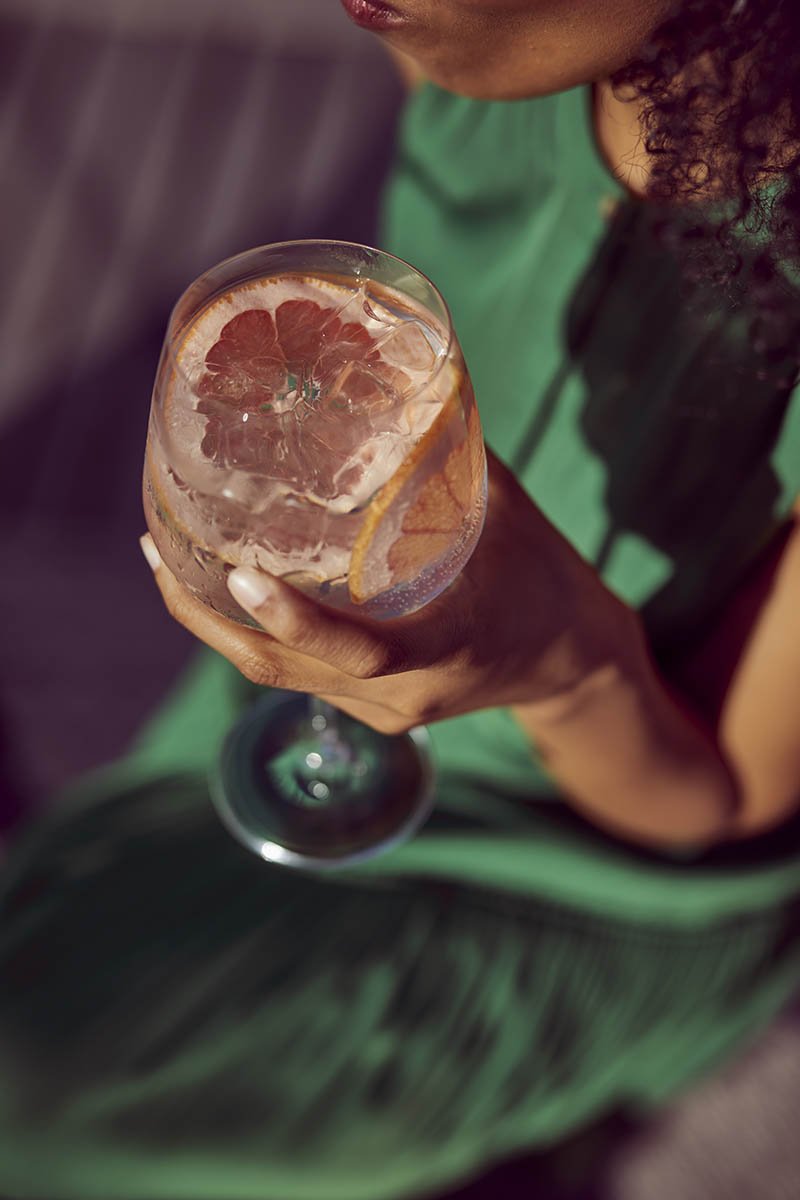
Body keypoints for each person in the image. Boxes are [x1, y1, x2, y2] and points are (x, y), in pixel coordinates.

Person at [2, 1, 800, 1197]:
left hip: (570, 862)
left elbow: (714, 804)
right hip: (313, 687)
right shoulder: (476, 42)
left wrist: (563, 660)